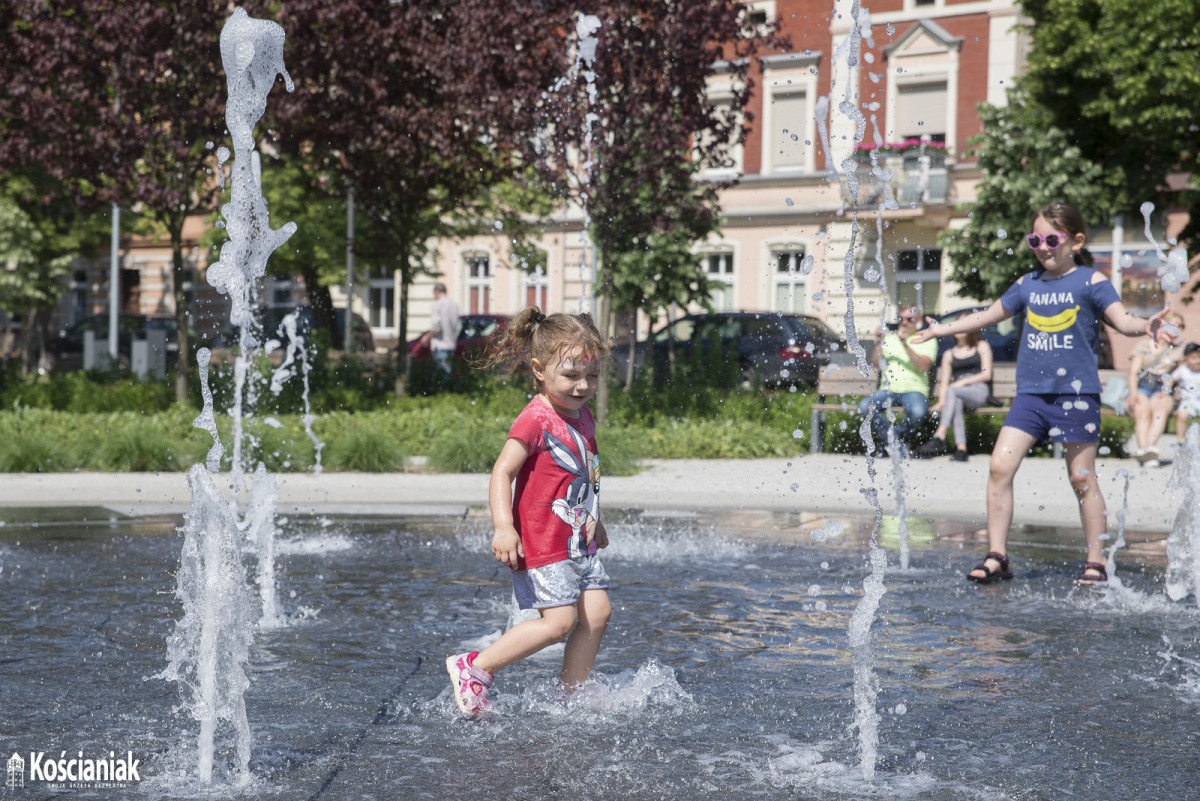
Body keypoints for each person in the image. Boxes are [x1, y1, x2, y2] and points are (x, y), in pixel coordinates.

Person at [912, 202, 1175, 586]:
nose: (1043, 247)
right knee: (1000, 466)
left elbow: (1122, 320)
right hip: (1030, 397)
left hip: (1076, 396)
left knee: (1081, 477)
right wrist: (941, 330)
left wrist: (1146, 324)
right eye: (1035, 239)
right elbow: (987, 315)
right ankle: (997, 555)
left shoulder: (1092, 282)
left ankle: (1095, 562)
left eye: (1052, 239)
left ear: (1076, 241)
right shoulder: (1027, 285)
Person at [446, 307, 611, 716]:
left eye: (591, 376)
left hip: (578, 537)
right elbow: (503, 471)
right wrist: (504, 527)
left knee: (598, 611)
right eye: (571, 375)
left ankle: (570, 694)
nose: (583, 385)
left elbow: (581, 475)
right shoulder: (536, 419)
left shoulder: (583, 415)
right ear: (539, 369)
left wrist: (597, 518)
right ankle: (475, 667)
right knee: (558, 623)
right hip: (544, 542)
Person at [858, 304, 938, 457]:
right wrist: (878, 341)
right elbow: (876, 365)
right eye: (901, 319)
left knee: (918, 413)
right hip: (888, 389)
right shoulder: (890, 338)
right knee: (864, 407)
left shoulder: (926, 338)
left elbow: (922, 366)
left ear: (918, 320)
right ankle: (896, 443)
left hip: (915, 391)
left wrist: (905, 344)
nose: (905, 322)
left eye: (910, 319)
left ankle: (891, 440)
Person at [916, 330, 994, 461]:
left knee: (953, 390)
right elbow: (944, 382)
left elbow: (986, 374)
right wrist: (941, 402)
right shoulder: (949, 354)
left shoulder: (981, 346)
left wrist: (962, 382)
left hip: (978, 390)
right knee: (955, 399)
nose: (960, 328)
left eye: (965, 325)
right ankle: (961, 449)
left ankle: (940, 435)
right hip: (958, 393)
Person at [1125, 312, 1186, 467]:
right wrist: (1133, 395)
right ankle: (1144, 449)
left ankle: (1149, 449)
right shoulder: (1145, 344)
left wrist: (1168, 388)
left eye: (1178, 326)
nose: (1175, 329)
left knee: (1161, 407)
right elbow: (1133, 372)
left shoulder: (1178, 350)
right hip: (1143, 385)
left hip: (1163, 386)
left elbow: (1178, 374)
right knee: (1141, 409)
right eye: (1171, 324)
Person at [423, 282, 459, 376]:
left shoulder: (437, 304)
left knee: (441, 375)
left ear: (436, 291)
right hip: (451, 343)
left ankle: (444, 390)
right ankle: (447, 390)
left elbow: (437, 328)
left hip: (440, 345)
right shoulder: (454, 305)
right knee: (447, 371)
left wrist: (427, 337)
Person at [1171, 342, 1200, 441]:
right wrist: (1165, 390)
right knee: (1182, 416)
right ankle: (1180, 439)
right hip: (1187, 401)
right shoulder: (1182, 370)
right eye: (1193, 358)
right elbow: (1171, 380)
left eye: (1199, 357)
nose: (1197, 361)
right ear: (1186, 359)